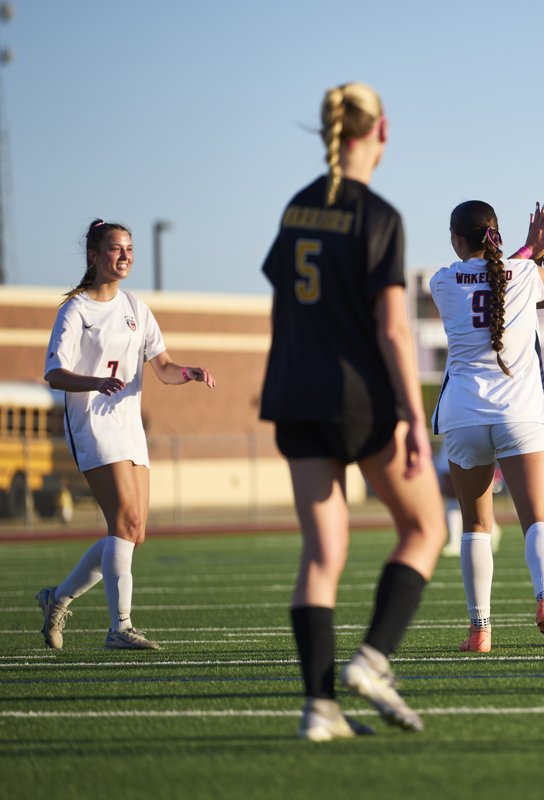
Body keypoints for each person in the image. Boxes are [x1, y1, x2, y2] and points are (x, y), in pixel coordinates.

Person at [260, 82, 445, 741]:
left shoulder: (295, 208)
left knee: (322, 554)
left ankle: (320, 709)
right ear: (383, 131)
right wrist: (415, 417)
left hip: (294, 396)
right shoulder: (378, 215)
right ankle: (371, 662)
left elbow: (285, 302)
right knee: (427, 527)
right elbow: (394, 330)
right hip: (359, 398)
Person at [38, 219, 216, 652]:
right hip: (93, 427)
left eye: (130, 249)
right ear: (94, 256)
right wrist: (94, 383)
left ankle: (57, 599)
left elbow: (163, 367)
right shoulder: (76, 310)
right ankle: (120, 627)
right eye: (116, 249)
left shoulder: (136, 308)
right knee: (124, 523)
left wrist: (189, 372)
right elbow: (53, 373)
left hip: (128, 427)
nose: (125, 257)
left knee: (133, 532)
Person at [430, 198, 544, 655]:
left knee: (476, 525)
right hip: (520, 413)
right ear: (495, 234)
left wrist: (527, 247)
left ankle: (480, 630)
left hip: (463, 417)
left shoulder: (440, 281)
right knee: (537, 520)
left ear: (457, 239)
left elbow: (485, 275)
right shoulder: (525, 275)